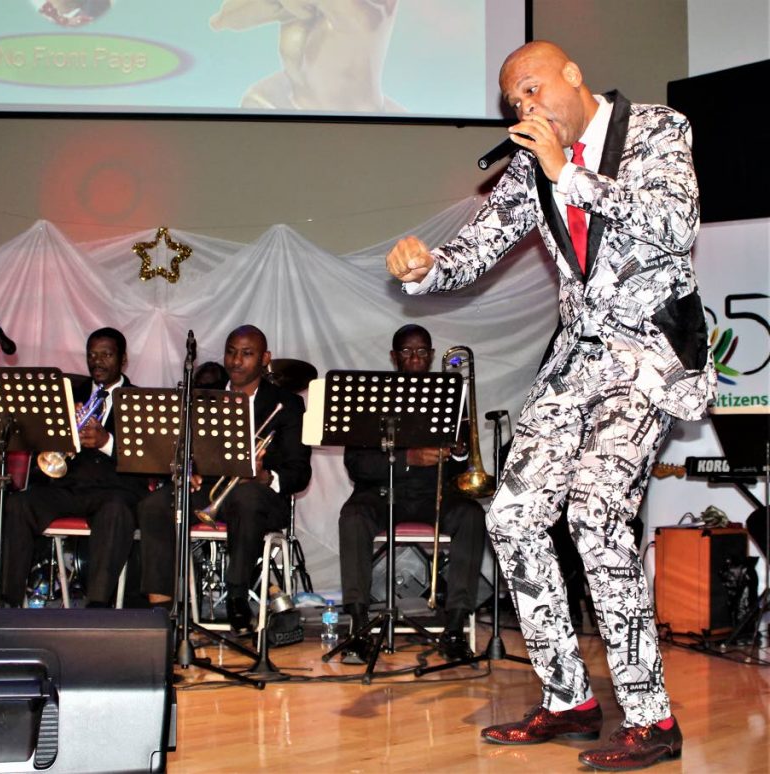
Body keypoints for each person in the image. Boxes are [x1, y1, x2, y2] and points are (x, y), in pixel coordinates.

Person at [386, 41, 715, 770]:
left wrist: (573, 175)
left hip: (648, 355)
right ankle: (569, 700)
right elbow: (475, 250)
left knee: (597, 510)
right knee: (512, 514)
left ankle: (651, 719)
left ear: (573, 75)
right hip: (579, 361)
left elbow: (675, 224)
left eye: (532, 90)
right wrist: (425, 269)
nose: (524, 109)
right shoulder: (533, 162)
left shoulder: (660, 128)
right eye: (513, 104)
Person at [136, 325, 312, 634]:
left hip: (262, 498)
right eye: (231, 352)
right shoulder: (205, 394)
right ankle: (160, 609)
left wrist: (265, 476)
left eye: (247, 354)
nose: (236, 361)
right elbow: (180, 447)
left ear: (265, 358)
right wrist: (186, 469)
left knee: (246, 498)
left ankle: (237, 597)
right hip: (209, 491)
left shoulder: (288, 404)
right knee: (155, 505)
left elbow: (300, 472)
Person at [337, 324, 487, 663]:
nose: (415, 358)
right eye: (407, 351)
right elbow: (356, 463)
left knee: (472, 515)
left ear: (433, 356)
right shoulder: (371, 396)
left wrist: (461, 453)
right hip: (383, 490)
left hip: (435, 492)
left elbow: (461, 467)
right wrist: (407, 458)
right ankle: (359, 626)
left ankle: (455, 628)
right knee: (353, 516)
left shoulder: (451, 396)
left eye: (422, 351)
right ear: (393, 357)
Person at [1, 327, 149, 607]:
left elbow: (145, 459)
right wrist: (63, 430)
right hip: (67, 485)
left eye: (106, 354)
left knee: (116, 511)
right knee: (18, 504)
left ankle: (96, 605)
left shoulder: (138, 400)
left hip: (114, 489)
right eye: (92, 355)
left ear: (123, 360)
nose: (97, 361)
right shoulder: (69, 394)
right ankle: (9, 600)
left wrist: (106, 442)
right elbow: (38, 439)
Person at [210, 0, 403, 113]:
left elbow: (360, 17)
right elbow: (227, 18)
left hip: (355, 127)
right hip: (285, 104)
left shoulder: (371, 11)